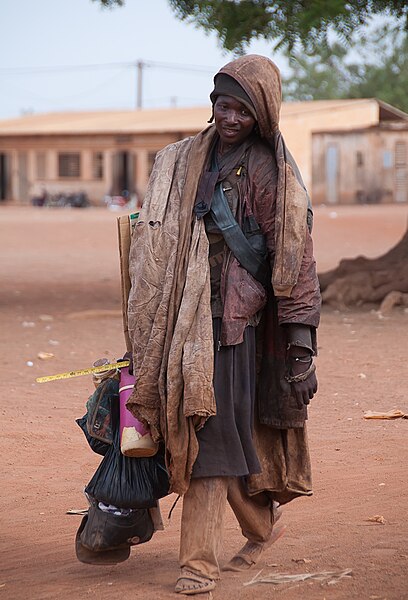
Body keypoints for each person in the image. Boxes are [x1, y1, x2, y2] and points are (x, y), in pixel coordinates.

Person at [126, 54, 321, 596]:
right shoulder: (183, 161)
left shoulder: (267, 171)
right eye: (220, 103)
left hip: (232, 325)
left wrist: (302, 350)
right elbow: (151, 242)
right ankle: (262, 527)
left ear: (262, 113)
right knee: (216, 436)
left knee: (208, 436)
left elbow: (295, 259)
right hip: (174, 324)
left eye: (241, 108)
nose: (228, 116)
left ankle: (198, 565)